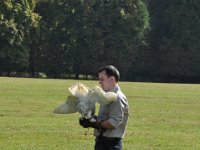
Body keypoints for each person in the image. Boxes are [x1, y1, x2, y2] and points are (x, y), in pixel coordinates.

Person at [79, 65, 129, 150]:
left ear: (112, 79)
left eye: (102, 79)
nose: (99, 82)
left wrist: (94, 123)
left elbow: (113, 123)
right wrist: (90, 118)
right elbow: (105, 118)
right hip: (102, 142)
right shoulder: (106, 96)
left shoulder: (118, 98)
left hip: (111, 145)